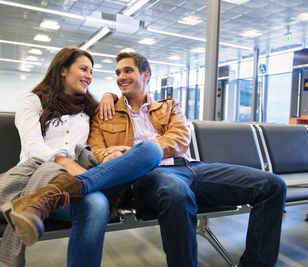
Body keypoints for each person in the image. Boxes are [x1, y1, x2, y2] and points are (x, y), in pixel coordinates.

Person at [87, 51, 287, 267]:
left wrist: (140, 150)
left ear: (145, 75)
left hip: (192, 168)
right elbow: (96, 149)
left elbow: (180, 138)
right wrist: (123, 157)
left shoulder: (170, 106)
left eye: (128, 70)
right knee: (176, 194)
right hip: (149, 174)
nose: (121, 77)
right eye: (117, 72)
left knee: (272, 185)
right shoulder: (106, 113)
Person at [0, 47, 162, 266]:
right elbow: (32, 145)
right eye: (84, 69)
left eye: (92, 72)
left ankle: (38, 203)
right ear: (63, 70)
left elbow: (94, 144)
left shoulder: (90, 108)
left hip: (83, 175)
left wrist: (111, 151)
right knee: (96, 203)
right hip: (37, 177)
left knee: (151, 151)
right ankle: (41, 198)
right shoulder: (32, 101)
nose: (89, 76)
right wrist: (64, 162)